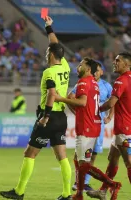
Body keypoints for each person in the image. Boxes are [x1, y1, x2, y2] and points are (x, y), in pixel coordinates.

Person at [0, 16, 72, 200]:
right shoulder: (65, 66)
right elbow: (56, 44)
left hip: (49, 117)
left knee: (30, 153)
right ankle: (67, 194)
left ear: (52, 55)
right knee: (62, 156)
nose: (46, 54)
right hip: (61, 117)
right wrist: (49, 27)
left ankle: (19, 192)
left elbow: (51, 94)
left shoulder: (49, 72)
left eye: (48, 52)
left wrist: (45, 117)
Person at [54, 58, 121, 200]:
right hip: (93, 125)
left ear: (88, 69)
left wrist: (61, 99)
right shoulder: (94, 83)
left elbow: (82, 102)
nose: (78, 67)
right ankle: (79, 193)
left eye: (80, 65)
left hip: (87, 127)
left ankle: (112, 184)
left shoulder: (84, 82)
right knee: (79, 160)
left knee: (83, 164)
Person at [86, 52, 131, 200]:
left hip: (124, 128)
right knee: (112, 157)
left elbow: (111, 103)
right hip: (125, 127)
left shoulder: (120, 81)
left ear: (126, 64)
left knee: (128, 162)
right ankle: (103, 190)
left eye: (117, 61)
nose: (114, 62)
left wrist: (95, 110)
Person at [69, 63, 114, 191]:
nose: (95, 72)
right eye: (94, 70)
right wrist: (76, 112)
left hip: (98, 124)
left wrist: (110, 116)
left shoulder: (106, 86)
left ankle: (85, 182)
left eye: (98, 70)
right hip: (87, 122)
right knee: (80, 154)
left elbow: (113, 102)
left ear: (102, 72)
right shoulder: (85, 83)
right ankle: (79, 182)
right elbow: (71, 96)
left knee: (93, 153)